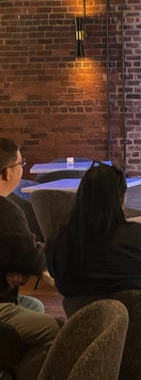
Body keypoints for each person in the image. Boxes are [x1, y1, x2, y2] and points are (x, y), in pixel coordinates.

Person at [46, 161, 141, 297]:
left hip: (84, 319)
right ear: (121, 200)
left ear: (80, 196)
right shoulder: (138, 238)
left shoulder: (57, 243)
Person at [0, 138, 60, 380]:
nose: (22, 168)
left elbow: (20, 253)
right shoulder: (6, 210)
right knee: (60, 332)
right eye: (20, 163)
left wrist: (16, 268)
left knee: (34, 305)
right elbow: (34, 261)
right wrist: (24, 266)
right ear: (6, 172)